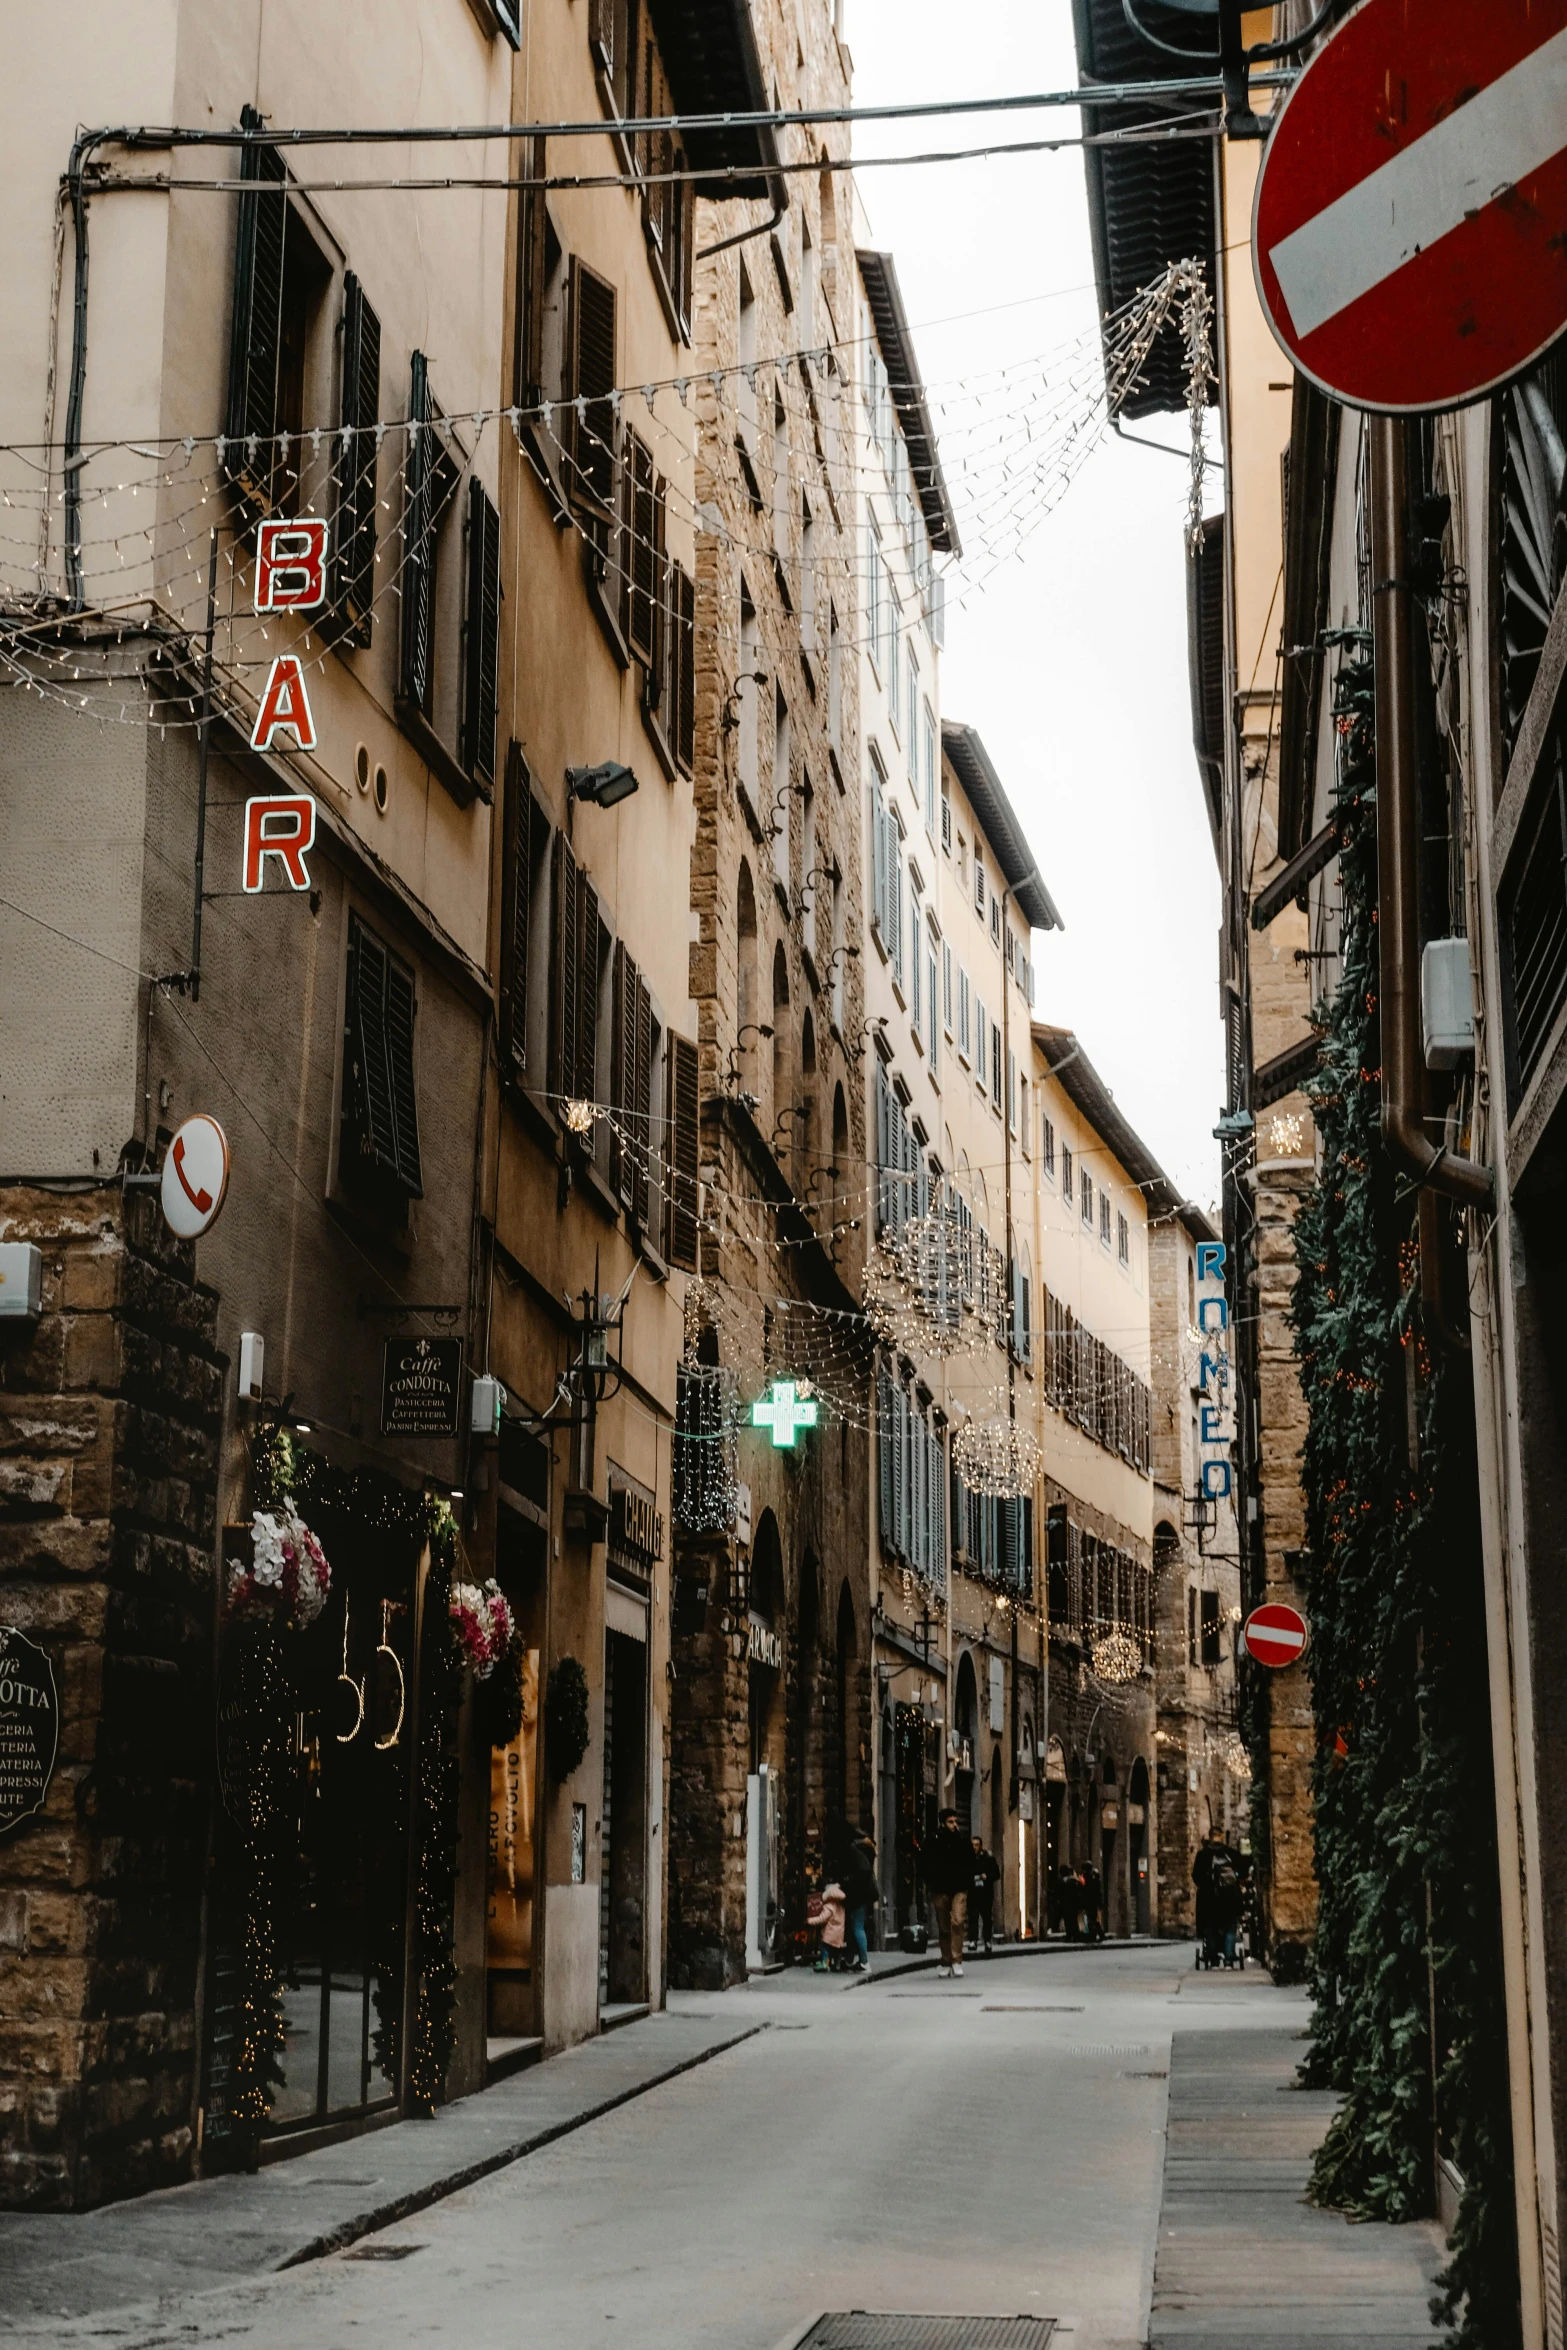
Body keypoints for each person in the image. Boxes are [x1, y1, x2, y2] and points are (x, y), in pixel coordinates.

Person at [925, 1806, 973, 1977]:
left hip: (959, 1887)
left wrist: (968, 1883)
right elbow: (925, 1861)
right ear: (943, 1823)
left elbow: (970, 1861)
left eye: (955, 1821)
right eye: (950, 1822)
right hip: (940, 1888)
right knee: (944, 1927)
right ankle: (946, 1961)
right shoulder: (933, 1840)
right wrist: (930, 1884)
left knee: (957, 1922)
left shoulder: (962, 1839)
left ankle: (957, 1960)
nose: (954, 1825)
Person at [1192, 1824, 1243, 1966]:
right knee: (1230, 1927)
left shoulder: (1202, 1855)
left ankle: (1213, 1959)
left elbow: (1196, 1877)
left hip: (1209, 1900)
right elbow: (1243, 1869)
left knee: (1210, 1927)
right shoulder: (1231, 1853)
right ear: (1221, 1837)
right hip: (1230, 1899)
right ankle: (1228, 1958)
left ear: (1210, 1837)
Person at [841, 1832, 878, 1973]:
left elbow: (862, 1872)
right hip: (863, 1894)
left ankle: (864, 1962)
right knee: (854, 1927)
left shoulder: (855, 1850)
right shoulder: (866, 1850)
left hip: (858, 1895)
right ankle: (850, 1959)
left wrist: (846, 1881)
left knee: (857, 1927)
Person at [969, 1836, 1001, 1954]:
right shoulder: (968, 1859)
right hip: (973, 1893)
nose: (974, 1847)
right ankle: (973, 1940)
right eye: (973, 1845)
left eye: (977, 1845)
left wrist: (987, 1877)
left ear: (980, 1846)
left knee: (987, 1918)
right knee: (973, 1917)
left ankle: (987, 1940)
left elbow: (996, 1873)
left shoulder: (988, 1858)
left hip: (985, 1893)